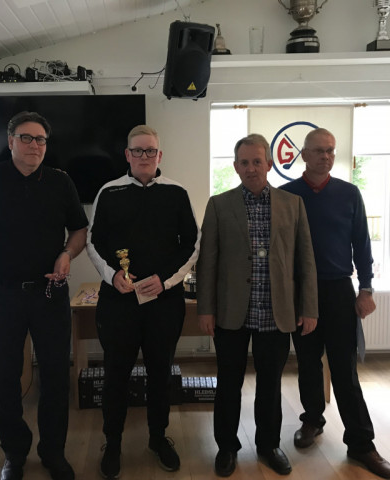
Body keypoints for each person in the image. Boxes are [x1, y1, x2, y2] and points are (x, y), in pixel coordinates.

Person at [0, 111, 88, 480]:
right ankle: (14, 454)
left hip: (49, 294)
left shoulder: (61, 182)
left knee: (55, 377)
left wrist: (67, 253)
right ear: (11, 141)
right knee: (4, 379)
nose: (35, 145)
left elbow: (79, 231)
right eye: (27, 138)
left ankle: (53, 452)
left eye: (41, 139)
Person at [197, 134, 318, 477]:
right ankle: (226, 447)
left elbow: (305, 260)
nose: (251, 168)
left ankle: (268, 445)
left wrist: (309, 308)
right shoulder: (219, 205)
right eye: (244, 162)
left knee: (270, 384)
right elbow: (208, 262)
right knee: (228, 383)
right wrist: (205, 309)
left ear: (269, 163)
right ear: (236, 167)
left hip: (276, 312)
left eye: (257, 161)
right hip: (231, 312)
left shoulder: (293, 204)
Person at [86, 125, 200, 479]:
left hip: (163, 301)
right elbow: (93, 241)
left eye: (150, 150)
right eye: (137, 150)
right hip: (118, 300)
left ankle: (158, 438)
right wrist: (112, 276)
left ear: (159, 155)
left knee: (160, 373)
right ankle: (112, 442)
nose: (144, 156)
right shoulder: (109, 191)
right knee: (116, 374)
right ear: (127, 154)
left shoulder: (177, 192)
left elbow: (192, 244)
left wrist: (164, 281)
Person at [280, 128, 390, 479]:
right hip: (301, 293)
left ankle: (361, 443)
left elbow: (362, 243)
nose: (325, 156)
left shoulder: (349, 193)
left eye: (330, 150)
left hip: (340, 289)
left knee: (344, 368)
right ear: (304, 155)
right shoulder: (286, 195)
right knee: (308, 362)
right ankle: (312, 419)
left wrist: (366, 289)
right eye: (318, 151)